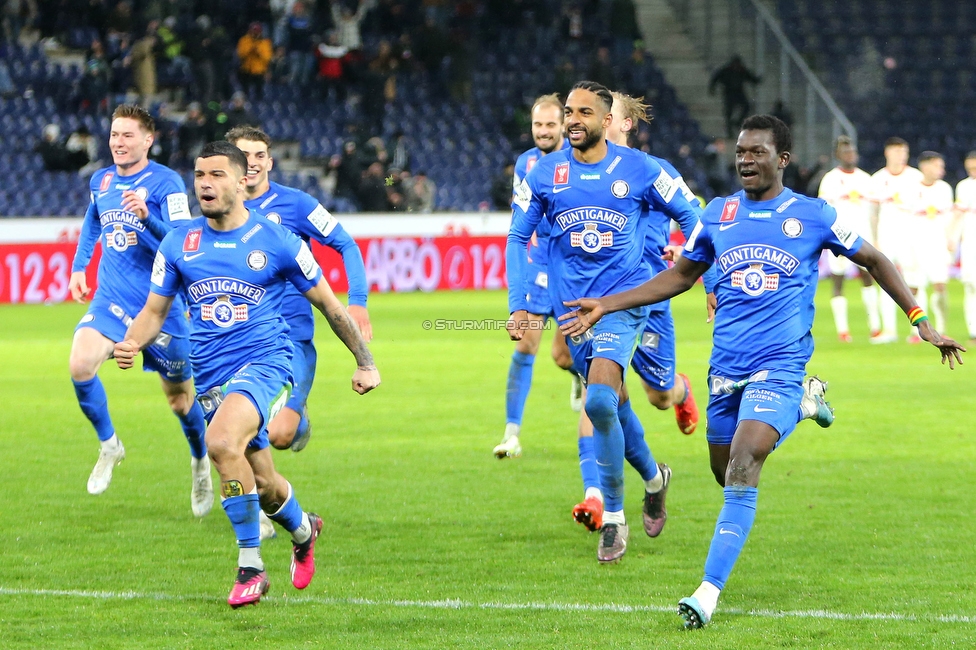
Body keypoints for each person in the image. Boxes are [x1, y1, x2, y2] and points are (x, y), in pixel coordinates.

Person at [558, 114, 965, 628]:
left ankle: (706, 594)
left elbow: (875, 259)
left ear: (783, 159)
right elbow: (681, 276)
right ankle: (805, 404)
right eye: (741, 153)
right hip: (726, 368)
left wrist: (920, 320)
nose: (746, 160)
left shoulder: (812, 214)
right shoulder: (718, 213)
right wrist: (608, 304)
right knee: (724, 471)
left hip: (781, 361)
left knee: (746, 461)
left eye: (757, 152)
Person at [113, 140, 380, 608]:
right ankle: (303, 528)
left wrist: (365, 362)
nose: (205, 185)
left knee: (219, 443)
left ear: (242, 181)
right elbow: (155, 311)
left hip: (268, 363)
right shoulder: (180, 242)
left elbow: (329, 305)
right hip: (212, 375)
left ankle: (250, 566)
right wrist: (133, 340)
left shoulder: (277, 240)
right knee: (264, 479)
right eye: (200, 176)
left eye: (217, 175)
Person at [506, 81, 703, 563]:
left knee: (601, 399)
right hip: (573, 312)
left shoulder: (642, 169)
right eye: (568, 111)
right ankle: (655, 478)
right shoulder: (544, 173)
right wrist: (518, 302)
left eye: (583, 113)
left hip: (625, 302)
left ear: (607, 119)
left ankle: (613, 519)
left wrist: (703, 273)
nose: (573, 120)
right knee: (611, 403)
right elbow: (517, 236)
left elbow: (694, 215)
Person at [569, 91, 702, 540]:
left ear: (623, 125)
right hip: (601, 307)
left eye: (608, 120)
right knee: (601, 397)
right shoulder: (578, 173)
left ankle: (680, 390)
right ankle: (607, 497)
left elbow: (695, 216)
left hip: (650, 300)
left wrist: (695, 264)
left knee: (658, 396)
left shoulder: (652, 170)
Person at [68, 105, 212, 518]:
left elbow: (185, 241)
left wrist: (148, 219)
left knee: (182, 403)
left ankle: (200, 460)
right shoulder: (103, 179)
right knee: (80, 364)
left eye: (127, 135)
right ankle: (110, 444)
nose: (118, 142)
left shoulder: (167, 183)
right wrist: (80, 266)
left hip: (162, 307)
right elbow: (93, 218)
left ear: (148, 140)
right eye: (114, 135)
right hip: (112, 300)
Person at [227, 125, 371, 458]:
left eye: (260, 156)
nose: (253, 163)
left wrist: (358, 302)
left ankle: (298, 419)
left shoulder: (296, 204)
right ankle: (260, 503)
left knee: (278, 435)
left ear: (270, 162)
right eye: (244, 155)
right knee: (240, 434)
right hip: (240, 338)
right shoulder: (220, 213)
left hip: (292, 338)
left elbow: (346, 244)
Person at [493, 93, 579, 461]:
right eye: (537, 125)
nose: (542, 132)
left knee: (563, 355)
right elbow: (521, 220)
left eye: (549, 125)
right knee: (525, 345)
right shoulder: (525, 162)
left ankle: (581, 375)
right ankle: (512, 434)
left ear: (563, 125)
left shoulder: (576, 159)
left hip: (572, 263)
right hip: (538, 260)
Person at [818, 135, 880, 342]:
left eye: (852, 151)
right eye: (845, 152)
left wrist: (875, 235)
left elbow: (873, 211)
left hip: (862, 236)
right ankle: (843, 330)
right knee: (838, 280)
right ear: (838, 155)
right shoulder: (830, 179)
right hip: (838, 237)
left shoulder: (865, 179)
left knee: (868, 278)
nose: (850, 155)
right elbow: (822, 210)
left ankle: (875, 327)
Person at [868, 137, 923, 343]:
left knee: (914, 281)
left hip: (911, 237)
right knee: (886, 282)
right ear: (887, 153)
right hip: (886, 236)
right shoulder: (878, 179)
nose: (902, 156)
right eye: (897, 152)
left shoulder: (915, 177)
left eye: (904, 152)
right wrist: (874, 239)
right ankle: (889, 330)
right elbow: (873, 212)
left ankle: (918, 330)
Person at [902, 151, 954, 339]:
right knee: (915, 287)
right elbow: (904, 219)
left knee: (940, 285)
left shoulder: (944, 189)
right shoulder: (910, 189)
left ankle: (941, 328)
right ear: (925, 166)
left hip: (938, 244)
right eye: (937, 166)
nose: (941, 170)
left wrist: (950, 238)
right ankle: (917, 331)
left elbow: (949, 217)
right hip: (915, 244)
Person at [709, 55, 761, 138]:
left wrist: (758, 80)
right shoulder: (726, 70)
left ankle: (738, 122)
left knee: (746, 107)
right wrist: (712, 89)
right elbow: (715, 78)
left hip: (739, 92)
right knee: (729, 113)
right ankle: (729, 131)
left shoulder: (742, 70)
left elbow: (750, 78)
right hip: (729, 93)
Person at [954, 151, 976, 342]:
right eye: (970, 168)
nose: (972, 172)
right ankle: (973, 331)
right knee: (971, 286)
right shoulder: (964, 186)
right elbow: (958, 216)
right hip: (970, 241)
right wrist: (952, 238)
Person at [237, 22, 273, 100]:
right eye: (253, 31)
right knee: (245, 91)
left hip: (259, 71)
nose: (255, 34)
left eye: (257, 31)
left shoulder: (265, 42)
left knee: (259, 92)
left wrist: (258, 51)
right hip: (246, 69)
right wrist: (250, 50)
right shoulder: (244, 40)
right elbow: (240, 54)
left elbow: (267, 58)